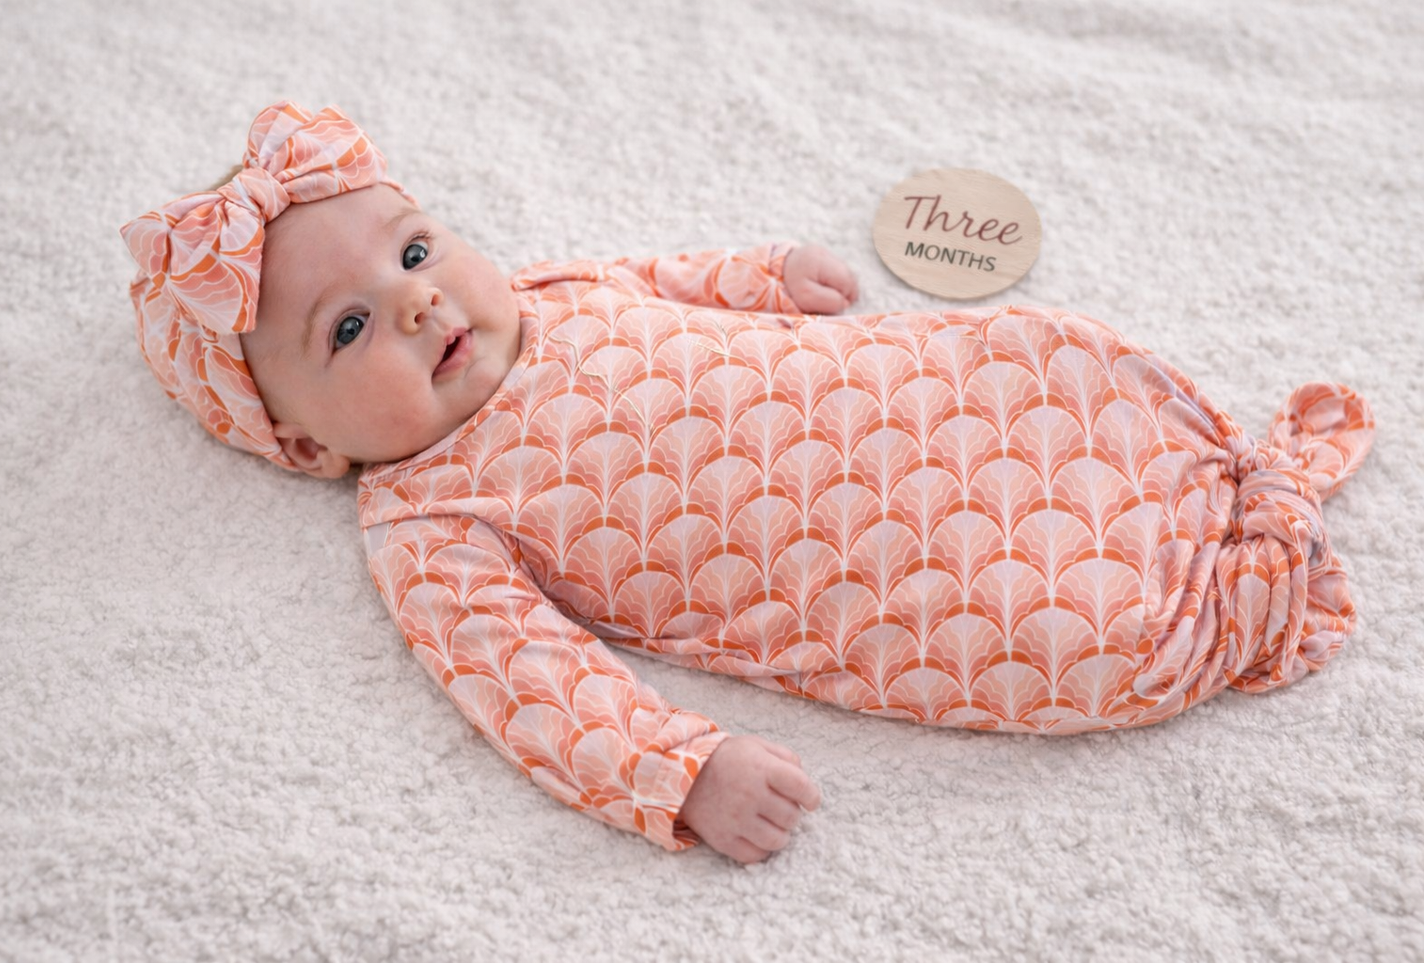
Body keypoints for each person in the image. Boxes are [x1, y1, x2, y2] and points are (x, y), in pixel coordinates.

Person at [121, 102, 1375, 865]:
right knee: (1025, 622)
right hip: (868, 566)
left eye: (412, 249)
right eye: (347, 332)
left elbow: (650, 278)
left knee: (1017, 361)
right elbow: (530, 686)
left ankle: (1209, 469)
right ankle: (1223, 593)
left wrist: (758, 276)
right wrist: (676, 769)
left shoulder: (547, 295)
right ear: (295, 439)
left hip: (897, 396)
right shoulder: (425, 520)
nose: (415, 299)